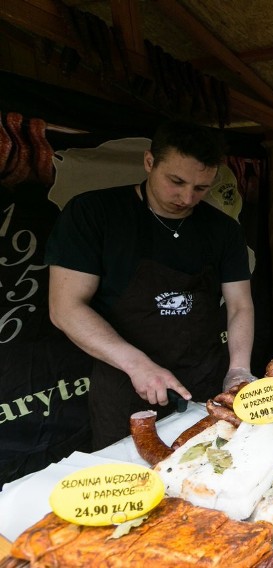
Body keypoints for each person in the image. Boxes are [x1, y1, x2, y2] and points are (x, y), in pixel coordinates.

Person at [46, 121, 255, 450]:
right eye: (176, 181)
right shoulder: (92, 214)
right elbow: (65, 308)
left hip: (205, 380)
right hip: (125, 383)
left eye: (202, 188)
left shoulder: (223, 230)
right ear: (149, 162)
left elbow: (240, 305)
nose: (187, 198)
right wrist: (136, 364)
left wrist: (239, 368)